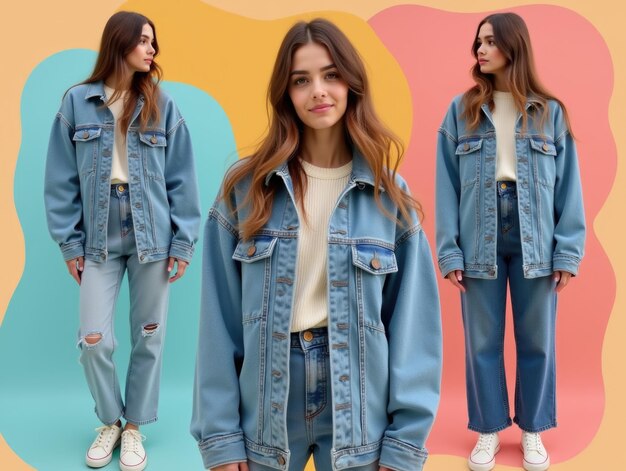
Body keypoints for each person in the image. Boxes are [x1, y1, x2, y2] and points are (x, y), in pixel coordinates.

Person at [191, 18, 442, 471]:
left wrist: (404, 445)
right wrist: (221, 439)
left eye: (331, 75)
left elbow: (413, 332)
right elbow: (218, 325)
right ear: (285, 94)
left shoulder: (390, 198)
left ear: (351, 83)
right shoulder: (245, 190)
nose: (318, 91)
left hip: (360, 402)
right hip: (266, 402)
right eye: (301, 80)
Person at [44, 11, 201, 471]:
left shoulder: (161, 103)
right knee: (93, 339)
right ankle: (109, 419)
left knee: (150, 337)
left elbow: (182, 179)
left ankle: (134, 428)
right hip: (97, 238)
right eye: (144, 41)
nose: (152, 50)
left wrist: (183, 242)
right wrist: (69, 244)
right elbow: (59, 180)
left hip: (153, 233)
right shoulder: (76, 102)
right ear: (121, 42)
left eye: (154, 42)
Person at [436, 12, 585, 471]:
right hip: (477, 233)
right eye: (477, 42)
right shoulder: (460, 110)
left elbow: (568, 187)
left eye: (489, 42)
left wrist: (566, 250)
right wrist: (449, 250)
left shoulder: (549, 112)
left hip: (535, 235)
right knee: (481, 339)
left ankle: (533, 429)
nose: (479, 50)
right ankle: (487, 429)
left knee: (537, 338)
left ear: (512, 47)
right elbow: (446, 185)